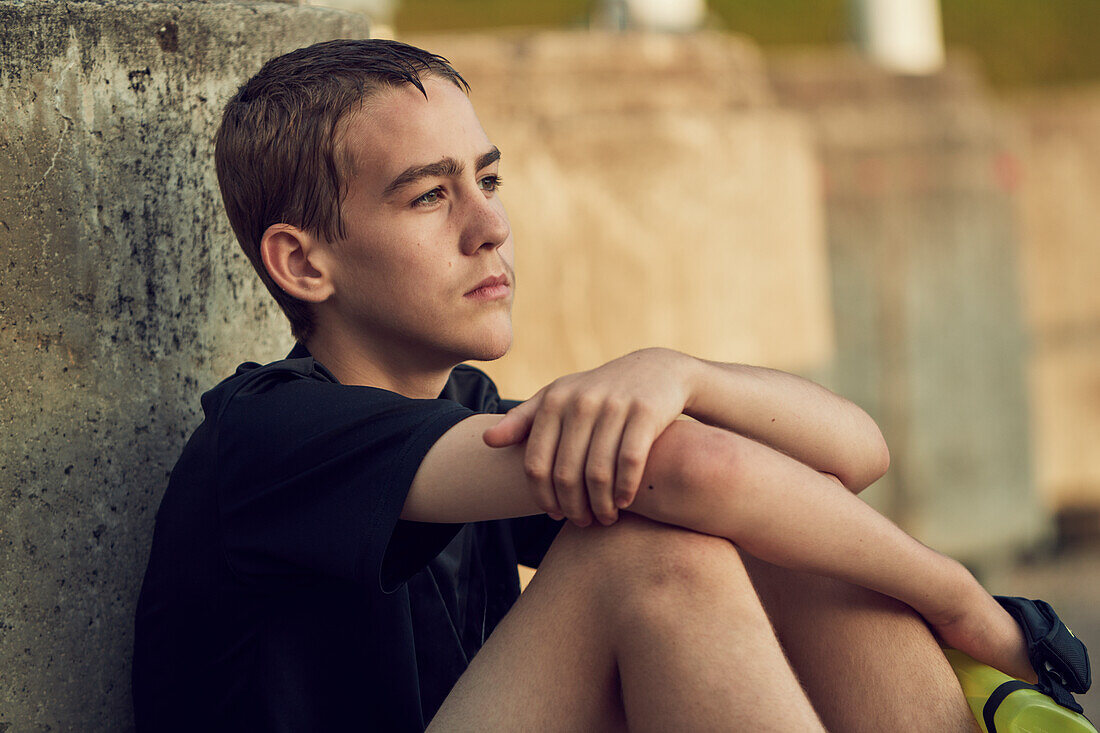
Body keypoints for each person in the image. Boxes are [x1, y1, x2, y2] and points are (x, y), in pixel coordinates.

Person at [132, 38, 1037, 731]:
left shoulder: (464, 417)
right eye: (428, 196)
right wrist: (967, 605)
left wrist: (680, 371)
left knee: (771, 532)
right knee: (648, 554)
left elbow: (848, 455)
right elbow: (689, 471)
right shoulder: (269, 436)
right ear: (304, 261)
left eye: (488, 179)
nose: (490, 227)